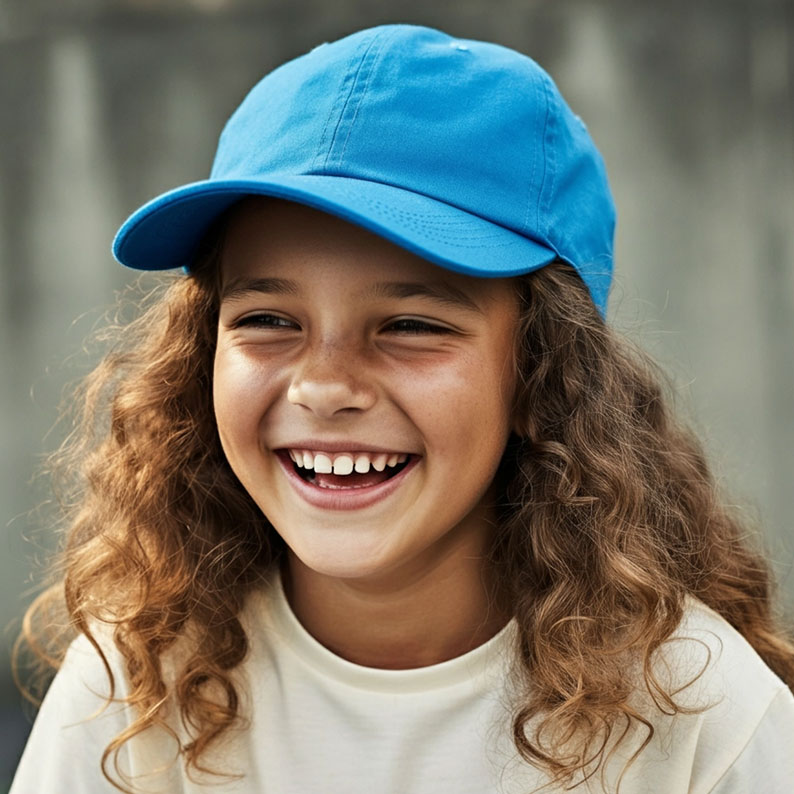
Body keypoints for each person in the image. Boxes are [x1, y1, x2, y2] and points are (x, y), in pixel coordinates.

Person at [10, 23, 794, 794]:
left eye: (411, 326)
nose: (323, 386)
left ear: (543, 378)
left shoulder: (697, 711)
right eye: (268, 320)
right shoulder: (136, 684)